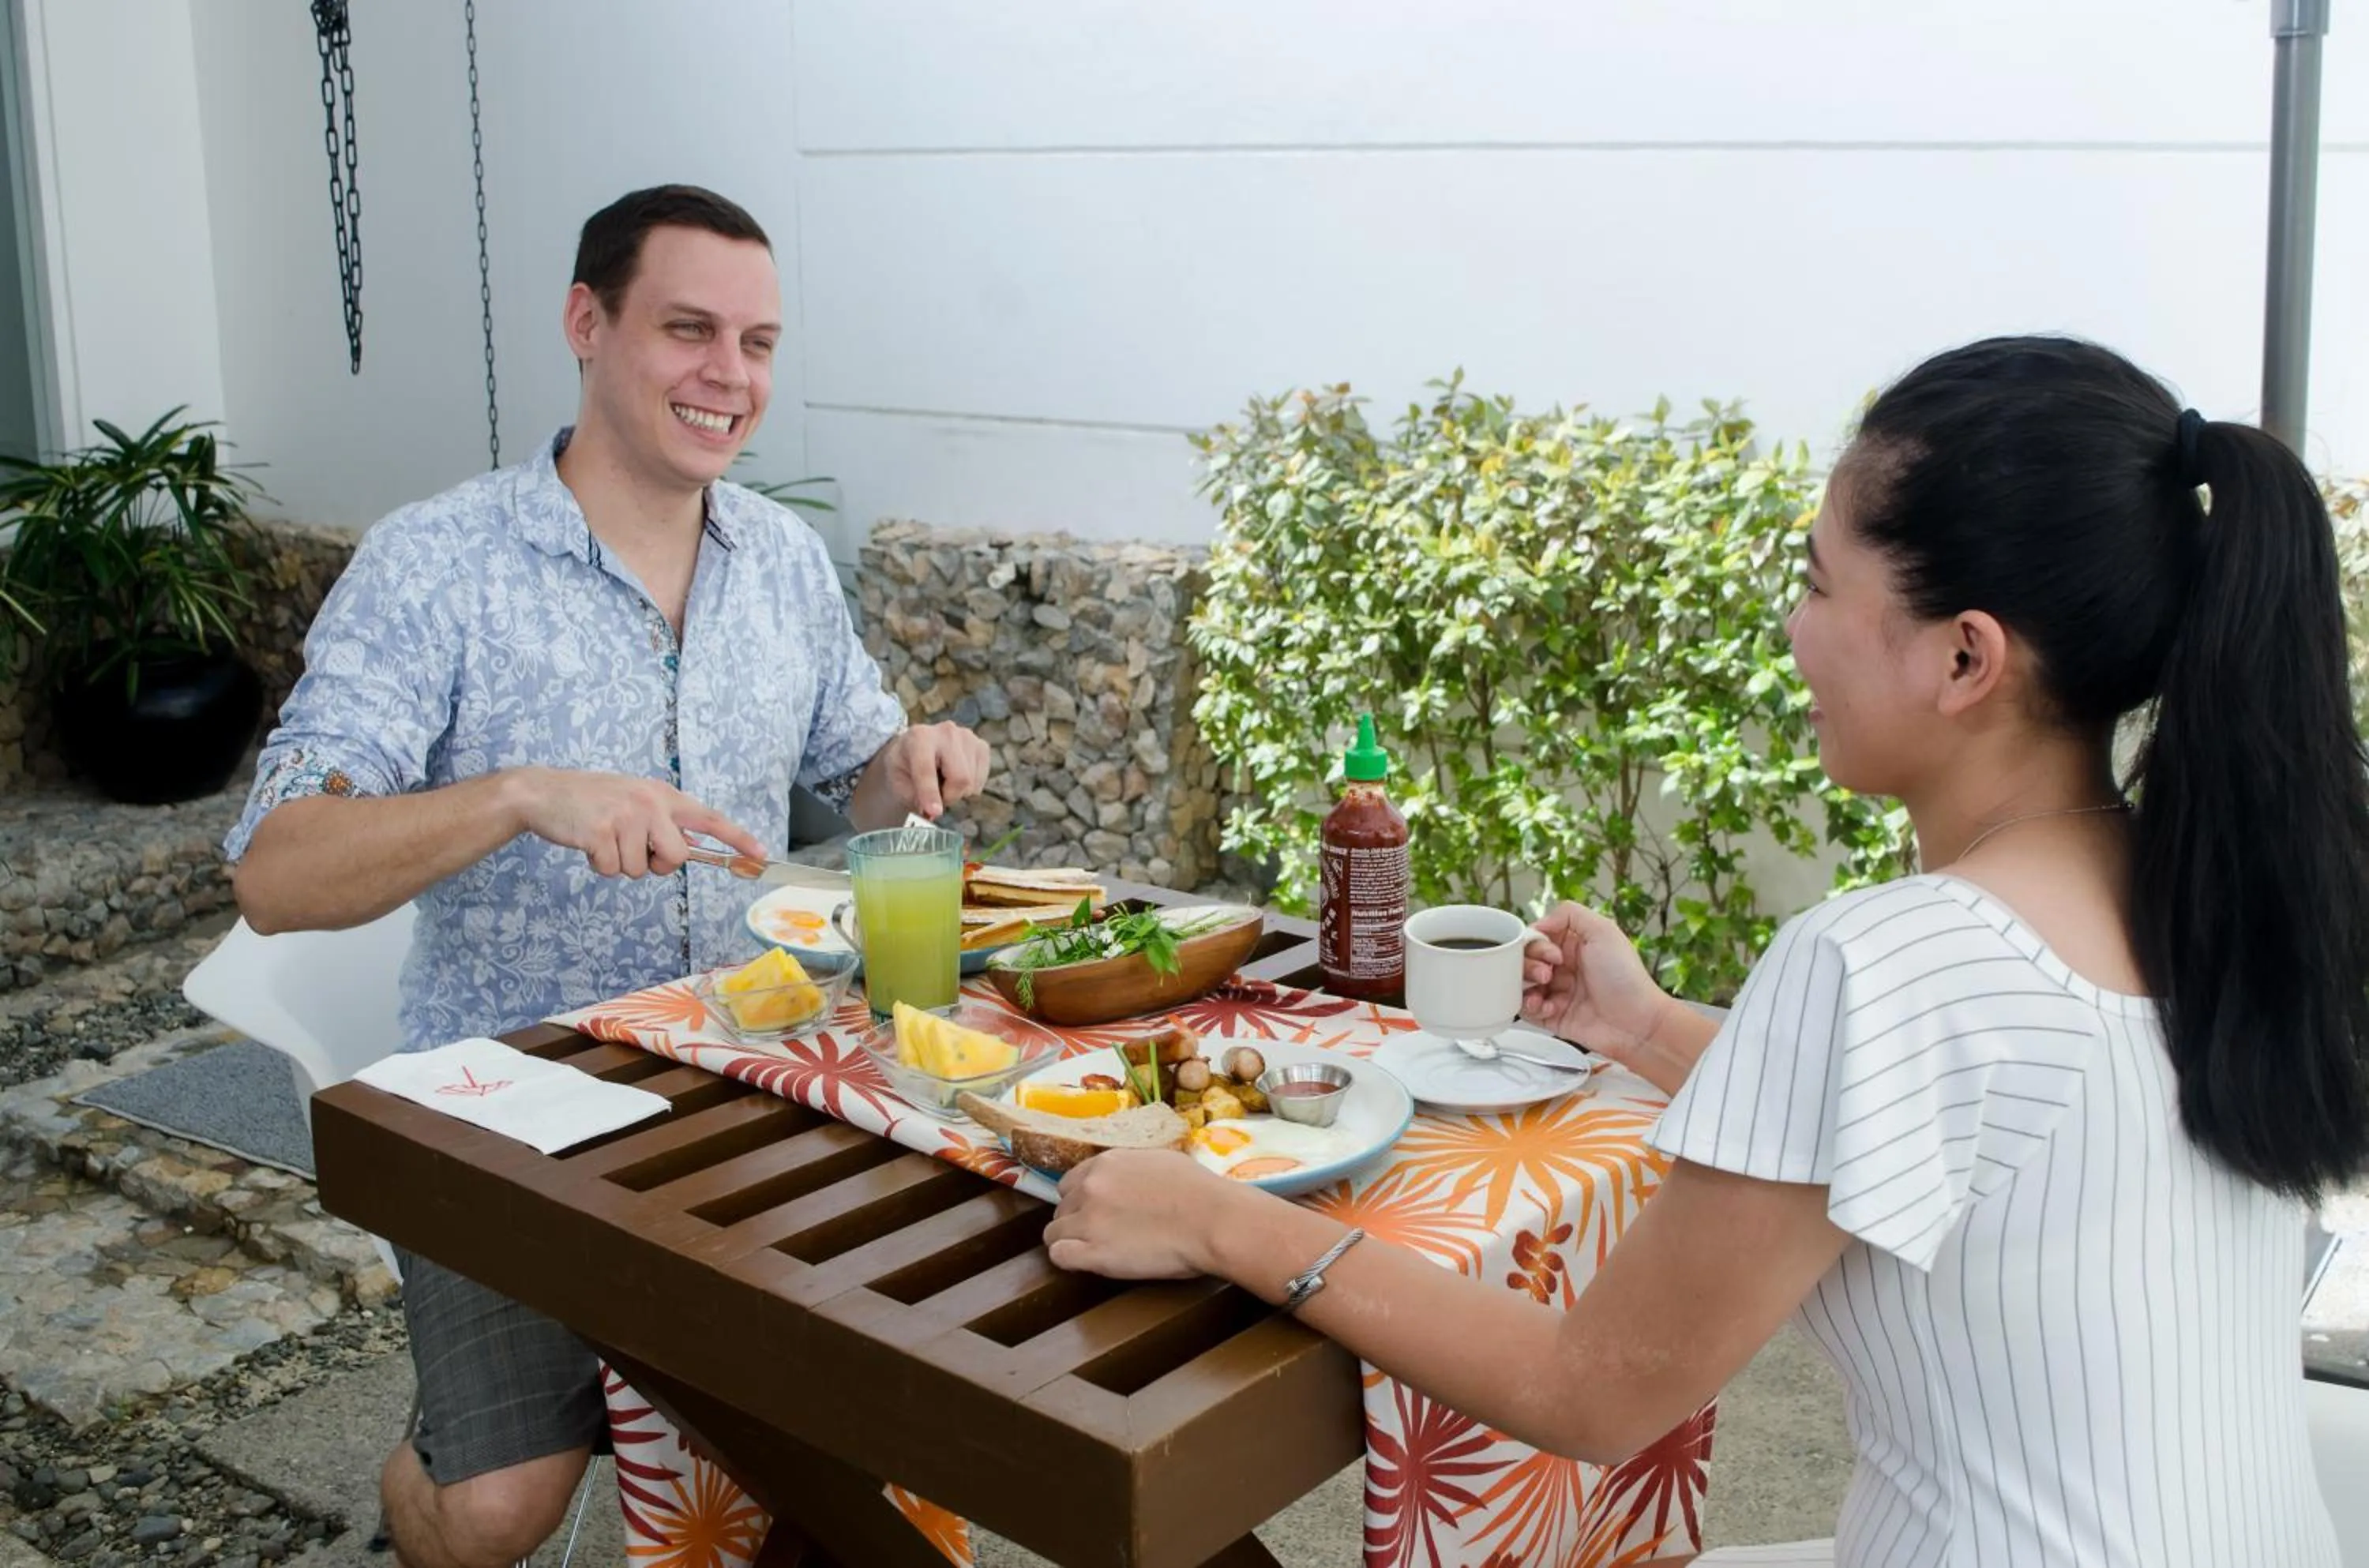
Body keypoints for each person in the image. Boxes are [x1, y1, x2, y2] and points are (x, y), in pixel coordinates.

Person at [1042, 335, 2368, 1566]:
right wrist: (1642, 1026)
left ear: (1967, 657)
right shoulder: (2210, 902)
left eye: (1818, 582)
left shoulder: (1879, 960)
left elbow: (1589, 1389)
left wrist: (1220, 1216)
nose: (1793, 627)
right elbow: (1928, 1127)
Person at [224, 184, 992, 1568]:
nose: (730, 375)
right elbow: (276, 872)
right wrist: (522, 794)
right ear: (587, 323)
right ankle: (420, 1492)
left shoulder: (783, 562)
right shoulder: (436, 565)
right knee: (495, 1510)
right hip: (512, 1119)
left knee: (917, 1380)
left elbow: (860, 779)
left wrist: (913, 762)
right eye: (689, 329)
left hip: (759, 1082)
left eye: (758, 342)